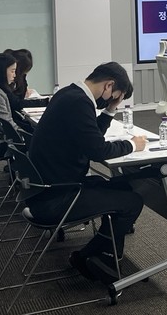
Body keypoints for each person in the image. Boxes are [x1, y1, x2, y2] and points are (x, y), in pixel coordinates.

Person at [27, 62, 147, 285]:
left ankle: (106, 258)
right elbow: (98, 150)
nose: (109, 101)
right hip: (55, 198)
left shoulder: (69, 94)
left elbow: (91, 139)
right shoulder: (79, 103)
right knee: (132, 201)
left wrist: (110, 110)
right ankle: (87, 256)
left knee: (119, 186)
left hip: (45, 187)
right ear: (108, 85)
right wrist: (132, 145)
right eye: (113, 97)